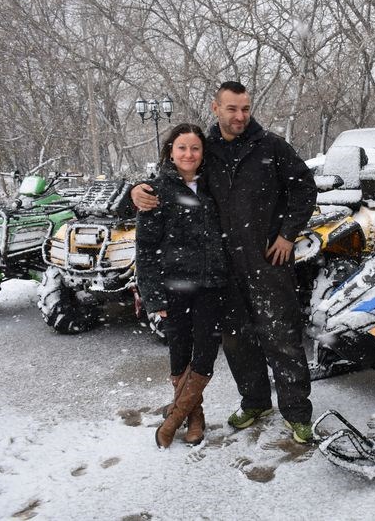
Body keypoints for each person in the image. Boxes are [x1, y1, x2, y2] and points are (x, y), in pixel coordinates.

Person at [133, 81, 318, 443]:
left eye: (245, 109)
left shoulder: (271, 146)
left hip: (267, 260)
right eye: (232, 109)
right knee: (236, 340)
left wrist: (287, 234)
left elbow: (304, 187)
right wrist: (136, 190)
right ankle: (255, 401)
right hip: (222, 268)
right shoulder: (207, 149)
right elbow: (173, 177)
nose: (240, 116)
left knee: (282, 338)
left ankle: (297, 413)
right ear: (216, 108)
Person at [135, 122, 228, 448]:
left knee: (204, 354)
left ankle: (174, 418)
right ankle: (194, 416)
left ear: (203, 154)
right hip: (173, 287)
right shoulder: (155, 192)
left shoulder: (215, 187)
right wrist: (152, 294)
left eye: (195, 148)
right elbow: (145, 249)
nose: (189, 154)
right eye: (182, 148)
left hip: (212, 285)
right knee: (179, 352)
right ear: (171, 152)